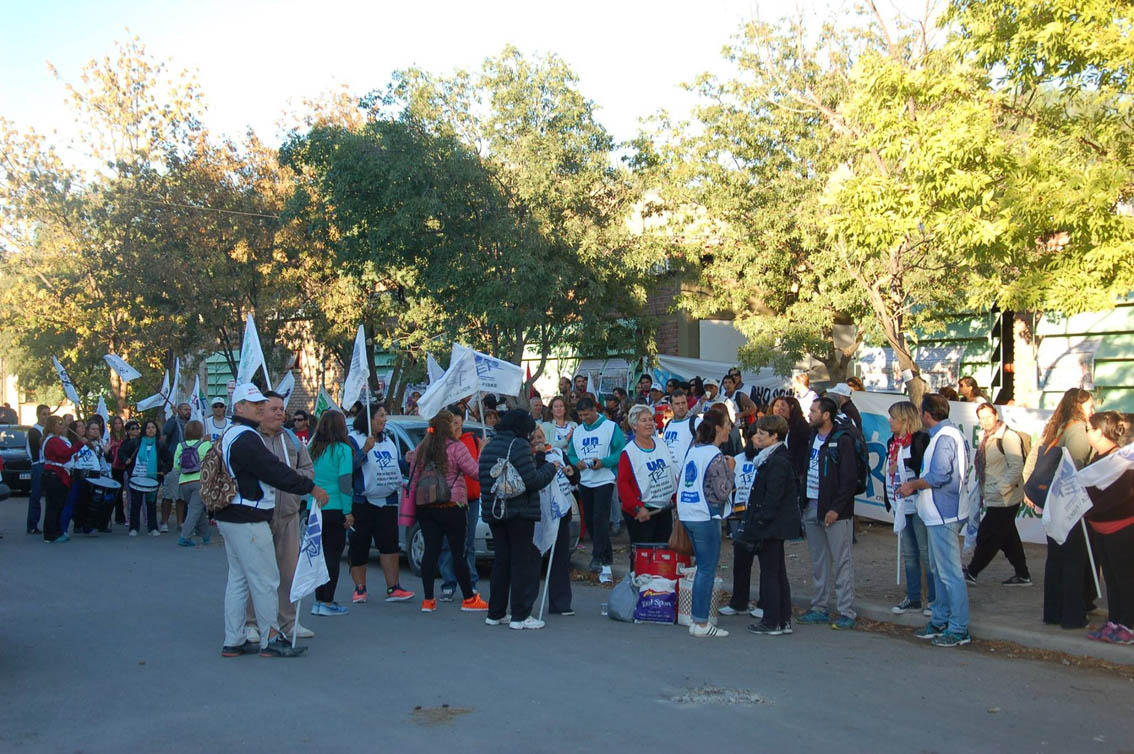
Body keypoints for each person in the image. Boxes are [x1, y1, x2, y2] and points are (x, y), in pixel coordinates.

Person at [216, 383, 326, 658]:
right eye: (254, 405)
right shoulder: (246, 437)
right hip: (248, 516)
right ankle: (271, 638)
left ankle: (235, 638)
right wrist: (309, 488)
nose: (260, 408)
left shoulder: (233, 434)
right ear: (239, 407)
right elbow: (274, 470)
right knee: (266, 579)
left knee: (240, 579)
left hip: (234, 514)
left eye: (260, 404)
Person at [240, 391, 316, 642]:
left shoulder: (292, 440)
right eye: (273, 409)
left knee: (288, 572)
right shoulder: (251, 440)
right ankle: (251, 623)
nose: (279, 413)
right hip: (259, 515)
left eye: (282, 409)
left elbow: (307, 469)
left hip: (289, 515)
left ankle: (289, 622)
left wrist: (297, 484)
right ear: (261, 412)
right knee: (258, 572)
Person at [898, 394, 973, 647]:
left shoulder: (945, 437)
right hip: (940, 512)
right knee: (940, 571)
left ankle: (959, 626)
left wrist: (912, 485)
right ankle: (941, 618)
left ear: (927, 414)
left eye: (921, 413)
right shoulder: (948, 435)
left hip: (944, 513)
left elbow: (939, 476)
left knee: (949, 573)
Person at [479, 409, 559, 629]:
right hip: (519, 511)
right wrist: (551, 468)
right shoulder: (519, 445)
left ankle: (495, 613)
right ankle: (520, 615)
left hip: (495, 512)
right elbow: (532, 480)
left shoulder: (490, 445)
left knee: (501, 562)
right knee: (521, 562)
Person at [1025, 387, 1095, 629]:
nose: (1093, 409)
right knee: (1073, 560)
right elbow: (1075, 468)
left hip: (1054, 503)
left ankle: (1054, 612)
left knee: (1056, 558)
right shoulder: (1077, 429)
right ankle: (1072, 616)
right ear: (1079, 405)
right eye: (1090, 404)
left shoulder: (1059, 426)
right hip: (1069, 504)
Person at [407, 410, 488, 613]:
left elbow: (413, 478)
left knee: (430, 553)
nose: (456, 426)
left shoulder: (421, 448)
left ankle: (428, 600)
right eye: (453, 423)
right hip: (453, 507)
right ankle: (469, 598)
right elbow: (475, 472)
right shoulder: (456, 448)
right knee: (457, 553)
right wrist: (483, 453)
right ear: (448, 427)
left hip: (426, 508)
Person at [736, 415, 802, 635]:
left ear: (775, 436)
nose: (757, 437)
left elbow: (773, 497)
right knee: (776, 572)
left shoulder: (777, 461)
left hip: (772, 526)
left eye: (762, 434)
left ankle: (772, 620)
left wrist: (761, 519)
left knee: (770, 574)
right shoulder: (772, 458)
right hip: (773, 524)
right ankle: (782, 619)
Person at [797, 397, 859, 630]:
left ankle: (846, 611)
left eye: (813, 411)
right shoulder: (813, 437)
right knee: (819, 561)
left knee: (842, 561)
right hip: (811, 505)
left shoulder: (843, 440)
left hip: (835, 512)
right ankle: (819, 607)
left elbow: (849, 479)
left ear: (826, 415)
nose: (809, 414)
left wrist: (836, 508)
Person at [677, 406, 735, 638]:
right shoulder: (715, 456)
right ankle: (701, 622)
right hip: (705, 513)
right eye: (728, 424)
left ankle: (696, 620)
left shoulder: (694, 450)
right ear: (719, 428)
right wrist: (731, 470)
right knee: (706, 569)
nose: (731, 428)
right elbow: (722, 492)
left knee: (702, 567)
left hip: (688, 512)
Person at [348, 405, 415, 605]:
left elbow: (393, 467)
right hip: (363, 501)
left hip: (387, 500)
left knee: (390, 545)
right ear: (369, 418)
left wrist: (406, 461)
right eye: (381, 415)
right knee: (359, 545)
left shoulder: (389, 442)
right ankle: (360, 588)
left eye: (386, 415)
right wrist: (364, 451)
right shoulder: (354, 439)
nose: (385, 419)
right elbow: (349, 467)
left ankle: (393, 587)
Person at [964, 402, 1031, 586]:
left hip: (1005, 498)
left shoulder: (1007, 437)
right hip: (994, 495)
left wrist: (999, 488)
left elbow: (1016, 467)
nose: (985, 421)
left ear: (996, 415)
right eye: (981, 418)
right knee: (1008, 537)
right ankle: (1023, 575)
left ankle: (972, 571)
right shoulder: (986, 436)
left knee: (988, 536)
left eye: (988, 416)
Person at [1083, 412, 1134, 644]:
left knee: (1125, 578)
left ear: (1100, 431)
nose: (1086, 433)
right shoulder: (1097, 456)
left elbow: (1121, 495)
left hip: (1121, 529)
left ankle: (1128, 626)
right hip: (1100, 529)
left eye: (1089, 429)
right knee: (1111, 579)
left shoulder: (1122, 459)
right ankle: (1115, 621)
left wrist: (1090, 509)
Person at [567, 396, 626, 584]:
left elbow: (620, 451)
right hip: (585, 480)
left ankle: (599, 557)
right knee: (591, 521)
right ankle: (604, 557)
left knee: (601, 518)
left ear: (595, 410)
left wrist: (604, 462)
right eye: (581, 415)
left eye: (587, 414)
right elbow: (571, 454)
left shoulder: (610, 427)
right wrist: (578, 463)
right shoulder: (577, 432)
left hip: (604, 479)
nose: (584, 418)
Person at [883, 401, 934, 615]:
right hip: (901, 504)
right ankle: (913, 597)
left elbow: (924, 467)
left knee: (925, 552)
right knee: (909, 552)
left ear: (905, 420)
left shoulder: (921, 439)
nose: (890, 421)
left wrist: (905, 467)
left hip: (919, 502)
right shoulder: (892, 442)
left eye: (893, 418)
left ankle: (933, 599)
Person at [617, 404, 677, 569]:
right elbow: (622, 484)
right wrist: (637, 508)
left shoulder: (662, 444)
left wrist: (675, 497)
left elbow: (671, 473)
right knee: (642, 557)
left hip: (662, 510)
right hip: (642, 512)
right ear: (634, 425)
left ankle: (658, 591)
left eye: (650, 419)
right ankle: (637, 590)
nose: (649, 423)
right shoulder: (628, 452)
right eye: (643, 420)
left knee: (662, 553)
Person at [308, 409, 355, 617]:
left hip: (315, 507)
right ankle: (327, 600)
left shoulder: (313, 449)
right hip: (335, 506)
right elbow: (345, 483)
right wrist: (348, 511)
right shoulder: (343, 450)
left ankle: (319, 600)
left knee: (319, 556)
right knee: (332, 556)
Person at [439, 408, 485, 602]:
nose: (455, 425)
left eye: (457, 421)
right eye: (452, 422)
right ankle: (448, 584)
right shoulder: (441, 444)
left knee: (469, 543)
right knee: (448, 543)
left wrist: (483, 450)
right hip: (450, 500)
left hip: (472, 499)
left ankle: (471, 582)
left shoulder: (473, 440)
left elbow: (478, 468)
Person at [531, 426, 576, 616]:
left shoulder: (557, 452)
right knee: (532, 559)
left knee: (560, 559)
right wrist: (540, 456)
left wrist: (572, 472)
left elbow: (575, 480)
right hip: (537, 514)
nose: (538, 441)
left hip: (560, 513)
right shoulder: (528, 457)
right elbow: (535, 477)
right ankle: (525, 605)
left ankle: (560, 603)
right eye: (534, 439)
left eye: (540, 437)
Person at [720, 423, 761, 618]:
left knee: (766, 564)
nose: (757, 441)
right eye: (755, 437)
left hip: (760, 516)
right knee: (741, 562)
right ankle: (739, 602)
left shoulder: (767, 459)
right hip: (739, 515)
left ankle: (764, 603)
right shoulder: (737, 459)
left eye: (761, 437)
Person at [41, 416, 83, 543]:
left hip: (56, 474)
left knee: (57, 505)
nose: (63, 427)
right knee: (55, 505)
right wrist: (80, 445)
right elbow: (64, 455)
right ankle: (51, 534)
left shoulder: (56, 440)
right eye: (59, 424)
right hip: (55, 475)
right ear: (52, 426)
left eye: (63, 424)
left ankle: (55, 531)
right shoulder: (53, 440)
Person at [173, 419, 211, 547]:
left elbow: (176, 467)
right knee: (195, 509)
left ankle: (205, 535)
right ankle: (185, 537)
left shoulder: (180, 446)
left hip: (183, 482)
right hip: (200, 481)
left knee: (197, 509)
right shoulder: (205, 445)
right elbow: (212, 463)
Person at [122, 419, 162, 537]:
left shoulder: (159, 444)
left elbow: (168, 458)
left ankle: (152, 528)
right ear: (144, 430)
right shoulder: (136, 443)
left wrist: (163, 470)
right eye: (148, 428)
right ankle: (133, 528)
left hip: (152, 479)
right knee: (136, 503)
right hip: (137, 478)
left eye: (153, 427)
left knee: (151, 504)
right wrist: (126, 460)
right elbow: (122, 452)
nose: (151, 430)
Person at [69, 419, 105, 535]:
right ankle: (79, 524)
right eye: (93, 429)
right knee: (81, 500)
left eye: (97, 430)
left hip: (94, 474)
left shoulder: (99, 443)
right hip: (82, 473)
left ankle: (89, 525)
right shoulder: (79, 442)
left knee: (92, 501)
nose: (95, 432)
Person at [770, 396, 810, 488]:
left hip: (795, 472)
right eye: (776, 406)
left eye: (783, 405)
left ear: (791, 407)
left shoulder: (800, 426)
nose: (779, 409)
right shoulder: (770, 425)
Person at [25, 404, 50, 535]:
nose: (46, 417)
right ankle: (32, 525)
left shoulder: (48, 431)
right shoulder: (34, 431)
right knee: (36, 496)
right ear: (38, 415)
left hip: (48, 464)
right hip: (38, 465)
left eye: (48, 414)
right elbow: (41, 447)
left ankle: (49, 524)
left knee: (50, 497)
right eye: (44, 414)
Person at [662, 389, 696, 468]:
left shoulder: (696, 422)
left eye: (683, 403)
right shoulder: (667, 424)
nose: (681, 407)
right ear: (670, 406)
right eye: (677, 404)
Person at [105, 415, 128, 527]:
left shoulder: (125, 436)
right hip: (113, 467)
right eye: (116, 423)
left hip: (124, 466)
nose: (118, 425)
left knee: (123, 491)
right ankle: (113, 516)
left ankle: (121, 516)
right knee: (115, 493)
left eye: (119, 423)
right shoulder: (109, 437)